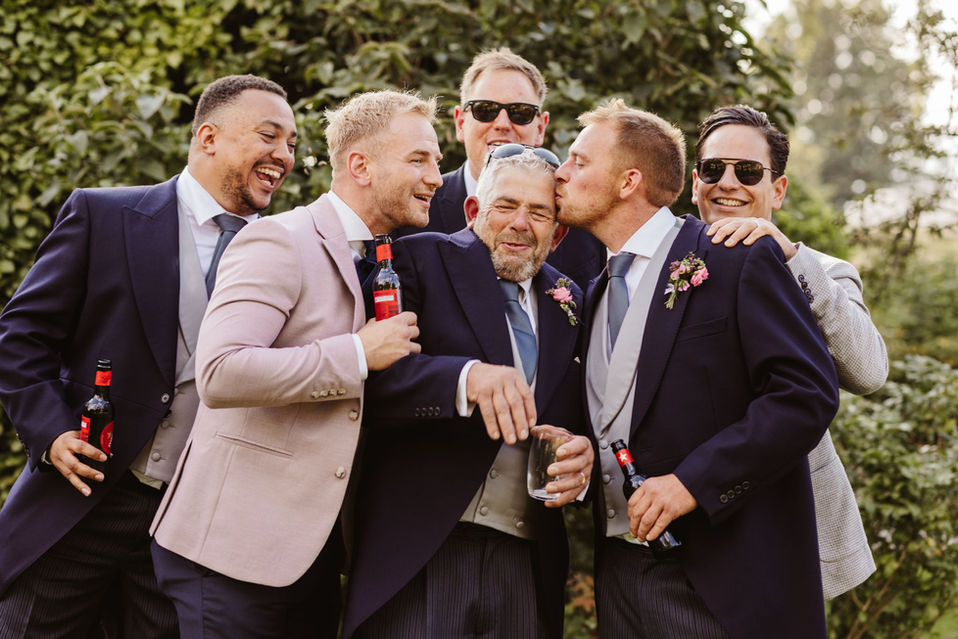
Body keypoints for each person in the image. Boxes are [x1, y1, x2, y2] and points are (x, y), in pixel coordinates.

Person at [0, 74, 295, 638]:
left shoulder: (288, 247)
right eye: (269, 136)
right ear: (208, 138)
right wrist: (53, 432)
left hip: (195, 525)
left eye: (291, 143)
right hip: (85, 498)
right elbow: (21, 336)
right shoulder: (103, 216)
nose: (282, 156)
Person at [147, 89, 435, 638]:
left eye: (437, 162)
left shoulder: (391, 259)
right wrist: (356, 354)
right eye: (419, 159)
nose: (436, 177)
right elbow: (222, 372)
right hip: (230, 554)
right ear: (361, 165)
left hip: (316, 557)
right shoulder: (278, 238)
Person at [554, 98, 840, 639]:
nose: (561, 173)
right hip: (621, 578)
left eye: (578, 160)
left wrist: (692, 482)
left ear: (627, 181)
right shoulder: (593, 292)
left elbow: (806, 395)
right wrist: (583, 456)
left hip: (721, 579)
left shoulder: (737, 256)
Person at [342, 145, 594, 639]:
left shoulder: (573, 300)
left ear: (557, 232)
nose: (521, 223)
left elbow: (584, 413)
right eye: (505, 206)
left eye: (539, 212)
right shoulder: (416, 260)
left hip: (525, 560)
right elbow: (369, 382)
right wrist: (465, 378)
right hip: (422, 548)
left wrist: (581, 459)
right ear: (474, 211)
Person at [692, 104, 887, 599]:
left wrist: (790, 259)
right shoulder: (664, 262)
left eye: (749, 171)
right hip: (681, 519)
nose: (728, 183)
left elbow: (869, 371)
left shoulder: (821, 271)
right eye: (714, 169)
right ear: (695, 183)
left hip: (789, 518)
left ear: (776, 190)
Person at [396, 47, 605, 290]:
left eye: (520, 113)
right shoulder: (410, 214)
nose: (502, 124)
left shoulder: (582, 225)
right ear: (460, 123)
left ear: (540, 128)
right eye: (485, 110)